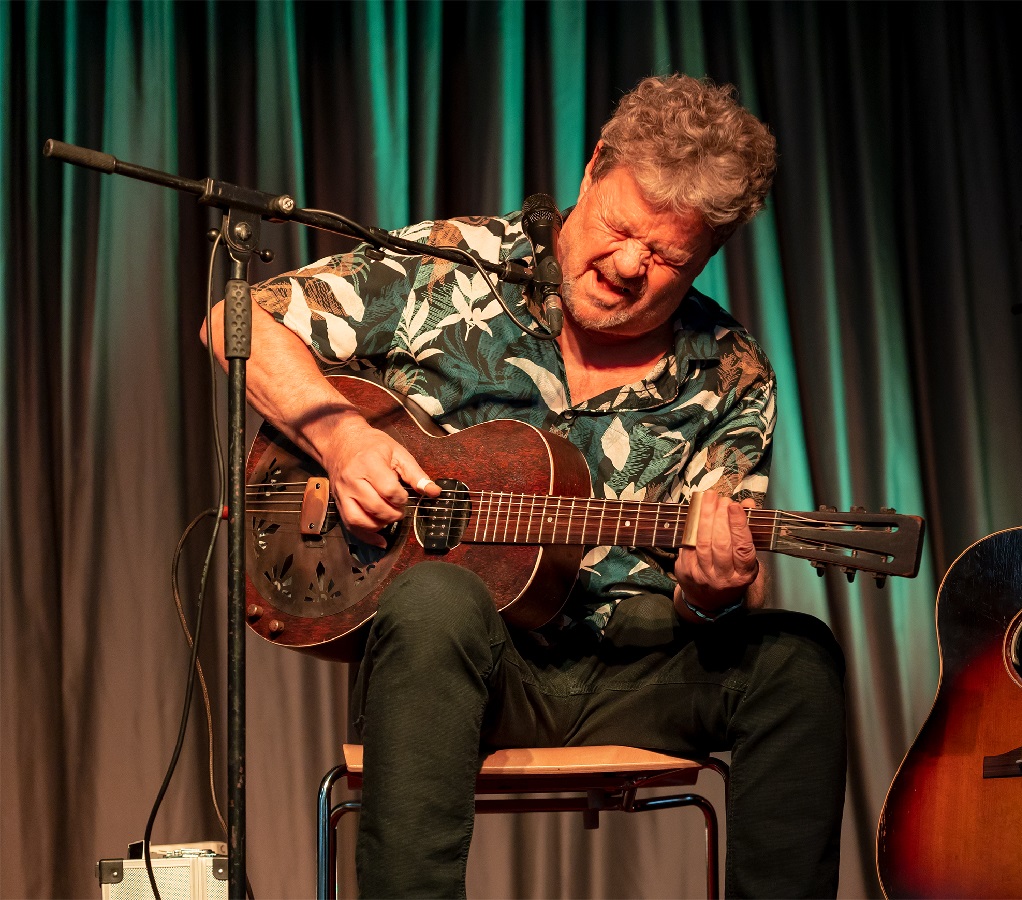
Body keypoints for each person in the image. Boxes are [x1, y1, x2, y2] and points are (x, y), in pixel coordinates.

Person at [205, 74, 846, 898]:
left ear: (709, 255)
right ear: (591, 171)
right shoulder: (453, 267)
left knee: (797, 661)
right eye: (619, 227)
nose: (625, 266)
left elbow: (715, 591)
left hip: (635, 673)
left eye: (666, 258)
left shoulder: (731, 371)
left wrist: (712, 595)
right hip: (456, 674)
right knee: (437, 600)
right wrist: (340, 435)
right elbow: (236, 320)